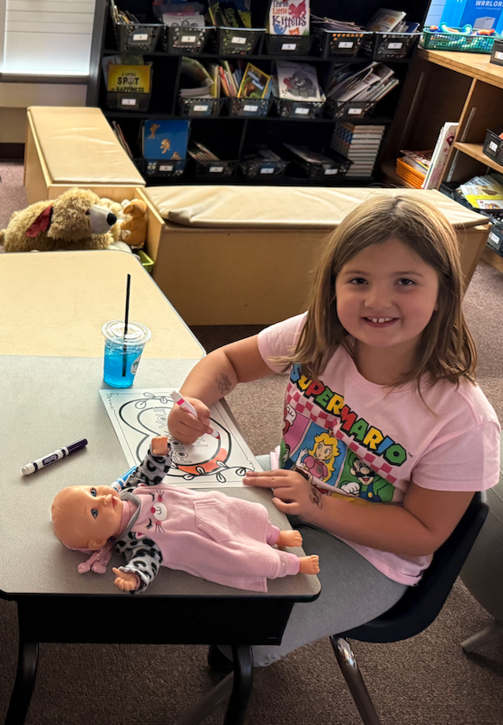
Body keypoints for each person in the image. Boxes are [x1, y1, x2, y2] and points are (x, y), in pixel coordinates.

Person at [166, 195, 500, 669]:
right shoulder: (317, 334)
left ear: (444, 292)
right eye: (359, 280)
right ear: (333, 285)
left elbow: (423, 533)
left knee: (245, 625)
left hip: (369, 552)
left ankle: (233, 659)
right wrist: (192, 402)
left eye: (405, 282)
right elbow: (227, 362)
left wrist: (318, 504)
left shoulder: (463, 419)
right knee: (173, 509)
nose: (377, 300)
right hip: (290, 484)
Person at [51, 435, 320, 593]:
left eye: (93, 492)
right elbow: (147, 561)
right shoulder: (133, 540)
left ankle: (275, 534)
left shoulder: (130, 490)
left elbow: (148, 473)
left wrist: (157, 454)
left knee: (241, 513)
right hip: (208, 544)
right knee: (246, 559)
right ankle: (291, 564)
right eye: (95, 512)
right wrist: (135, 576)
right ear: (98, 542)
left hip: (209, 508)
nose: (104, 497)